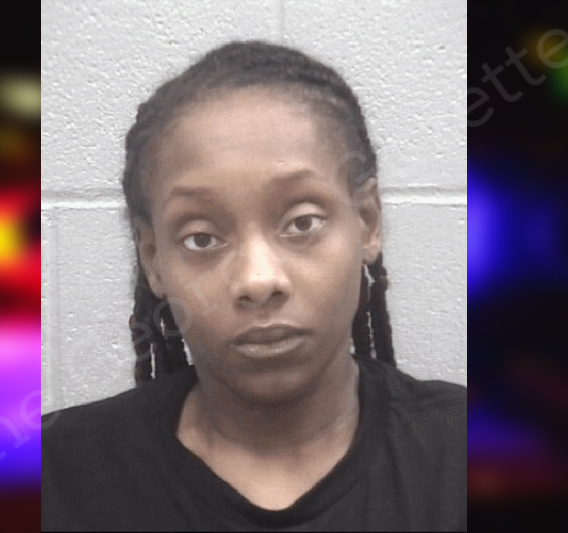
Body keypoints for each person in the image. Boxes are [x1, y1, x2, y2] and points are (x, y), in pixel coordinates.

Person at [41, 40, 466, 531]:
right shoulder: (54, 478)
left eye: (302, 223)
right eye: (202, 238)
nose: (258, 280)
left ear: (367, 222)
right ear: (153, 258)